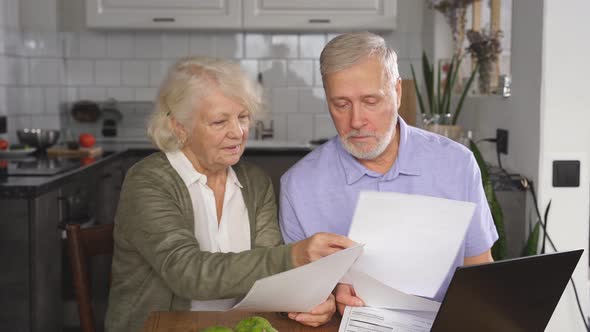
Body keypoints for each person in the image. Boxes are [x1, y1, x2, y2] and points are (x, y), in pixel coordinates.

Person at [105, 56, 354, 332]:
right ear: (180, 127)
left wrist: (305, 300)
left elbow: (270, 274)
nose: (237, 132)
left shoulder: (255, 182)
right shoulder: (148, 181)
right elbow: (187, 273)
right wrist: (292, 255)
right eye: (219, 121)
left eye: (243, 117)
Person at [279, 32, 499, 314]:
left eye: (371, 101)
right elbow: (299, 292)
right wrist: (329, 301)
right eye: (341, 104)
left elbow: (480, 271)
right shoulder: (298, 185)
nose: (356, 121)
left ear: (397, 91)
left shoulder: (457, 165)